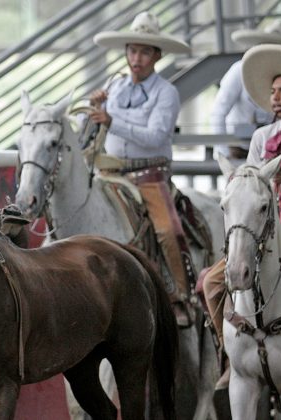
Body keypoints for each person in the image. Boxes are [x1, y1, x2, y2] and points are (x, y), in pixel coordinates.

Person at [202, 43, 281, 390]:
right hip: (265, 225)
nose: (275, 97)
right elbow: (250, 181)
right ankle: (230, 355)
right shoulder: (261, 137)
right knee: (211, 282)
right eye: (273, 91)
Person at [89, 11, 195, 326]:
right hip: (109, 173)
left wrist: (112, 120)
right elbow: (92, 126)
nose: (137, 58)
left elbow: (156, 137)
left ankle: (180, 295)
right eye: (132, 50)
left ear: (157, 56)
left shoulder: (167, 92)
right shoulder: (114, 86)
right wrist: (94, 109)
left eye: (145, 52)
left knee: (168, 230)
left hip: (149, 176)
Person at [210, 21, 281, 159]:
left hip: (271, 146)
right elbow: (218, 111)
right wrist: (222, 153)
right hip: (239, 147)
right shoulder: (239, 70)